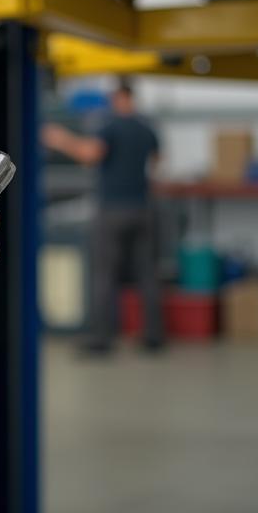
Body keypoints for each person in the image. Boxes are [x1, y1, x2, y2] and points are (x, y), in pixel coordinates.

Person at [41, 81, 164, 353]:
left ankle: (101, 339)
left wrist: (60, 139)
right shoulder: (147, 128)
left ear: (118, 98)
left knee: (105, 274)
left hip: (112, 210)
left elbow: (90, 155)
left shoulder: (111, 127)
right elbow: (156, 161)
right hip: (143, 208)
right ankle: (153, 336)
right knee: (146, 273)